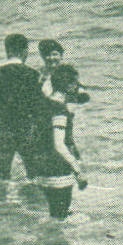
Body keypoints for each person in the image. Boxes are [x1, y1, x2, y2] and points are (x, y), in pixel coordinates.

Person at [22, 70, 86, 220]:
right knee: (61, 216)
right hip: (58, 167)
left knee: (54, 213)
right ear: (69, 86)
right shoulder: (60, 110)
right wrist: (77, 170)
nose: (77, 87)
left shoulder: (41, 105)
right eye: (75, 83)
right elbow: (59, 145)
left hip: (42, 166)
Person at [0, 33, 48, 181]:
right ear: (25, 51)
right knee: (34, 174)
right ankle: (31, 196)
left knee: (1, 175)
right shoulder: (33, 74)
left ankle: (0, 196)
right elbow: (39, 107)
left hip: (2, 129)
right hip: (27, 129)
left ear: (7, 50)